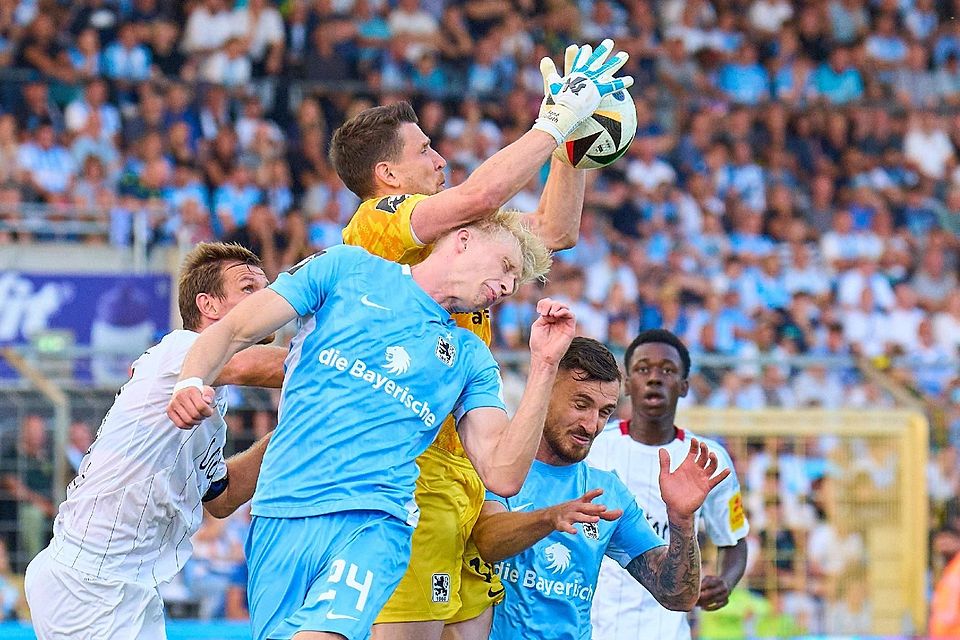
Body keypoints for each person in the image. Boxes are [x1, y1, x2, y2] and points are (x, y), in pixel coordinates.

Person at [331, 40, 631, 640]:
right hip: (410, 470)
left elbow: (554, 231)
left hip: (466, 462)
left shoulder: (463, 235)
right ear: (387, 175)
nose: (440, 159)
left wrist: (571, 147)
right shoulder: (379, 219)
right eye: (426, 150)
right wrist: (550, 122)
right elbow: (479, 196)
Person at [166, 211, 573, 640]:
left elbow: (503, 473)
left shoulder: (471, 358)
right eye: (506, 266)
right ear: (464, 240)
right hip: (280, 510)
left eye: (516, 281)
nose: (508, 286)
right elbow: (233, 330)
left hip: (374, 520)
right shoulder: (345, 268)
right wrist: (190, 381)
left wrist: (545, 365)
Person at [25, 242, 288, 639]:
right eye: (249, 289)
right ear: (208, 305)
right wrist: (350, 365)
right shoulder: (180, 349)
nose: (267, 300)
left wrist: (295, 427)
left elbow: (222, 497)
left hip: (129, 585)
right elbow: (257, 366)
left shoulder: (211, 392)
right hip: (90, 582)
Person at [470, 337, 729, 639]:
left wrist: (682, 521)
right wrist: (550, 517)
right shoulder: (494, 466)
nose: (592, 425)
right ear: (545, 390)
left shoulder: (606, 493)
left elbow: (677, 596)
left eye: (605, 411)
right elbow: (487, 541)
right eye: (581, 405)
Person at [588, 329, 750, 639]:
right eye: (643, 369)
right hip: (594, 628)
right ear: (627, 383)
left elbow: (735, 541)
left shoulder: (708, 458)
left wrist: (724, 583)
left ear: (684, 386)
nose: (654, 378)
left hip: (665, 630)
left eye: (667, 370)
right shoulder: (593, 446)